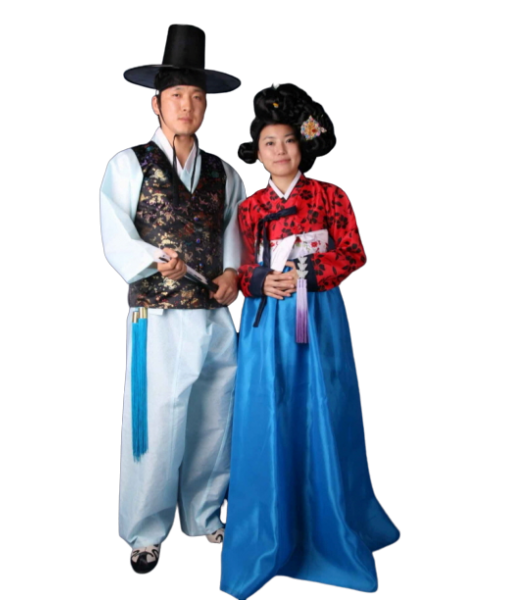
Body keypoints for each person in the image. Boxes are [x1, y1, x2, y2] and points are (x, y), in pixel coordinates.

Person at [219, 83, 400, 598]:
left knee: (325, 408)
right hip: (267, 323)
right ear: (257, 154)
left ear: (302, 146)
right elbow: (243, 268)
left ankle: (332, 522)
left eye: (288, 141)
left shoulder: (331, 195)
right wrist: (261, 281)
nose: (280, 150)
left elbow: (355, 252)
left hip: (318, 317)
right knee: (271, 414)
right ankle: (274, 526)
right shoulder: (250, 209)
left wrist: (307, 273)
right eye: (269, 143)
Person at [99, 23, 246, 575]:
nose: (187, 106)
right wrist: (151, 258)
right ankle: (144, 530)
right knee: (156, 423)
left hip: (212, 315)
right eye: (177, 95)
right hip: (156, 316)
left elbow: (235, 231)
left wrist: (231, 272)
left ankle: (204, 515)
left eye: (197, 97)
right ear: (156, 103)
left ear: (206, 105)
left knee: (214, 417)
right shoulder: (128, 164)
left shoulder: (224, 172)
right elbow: (116, 234)